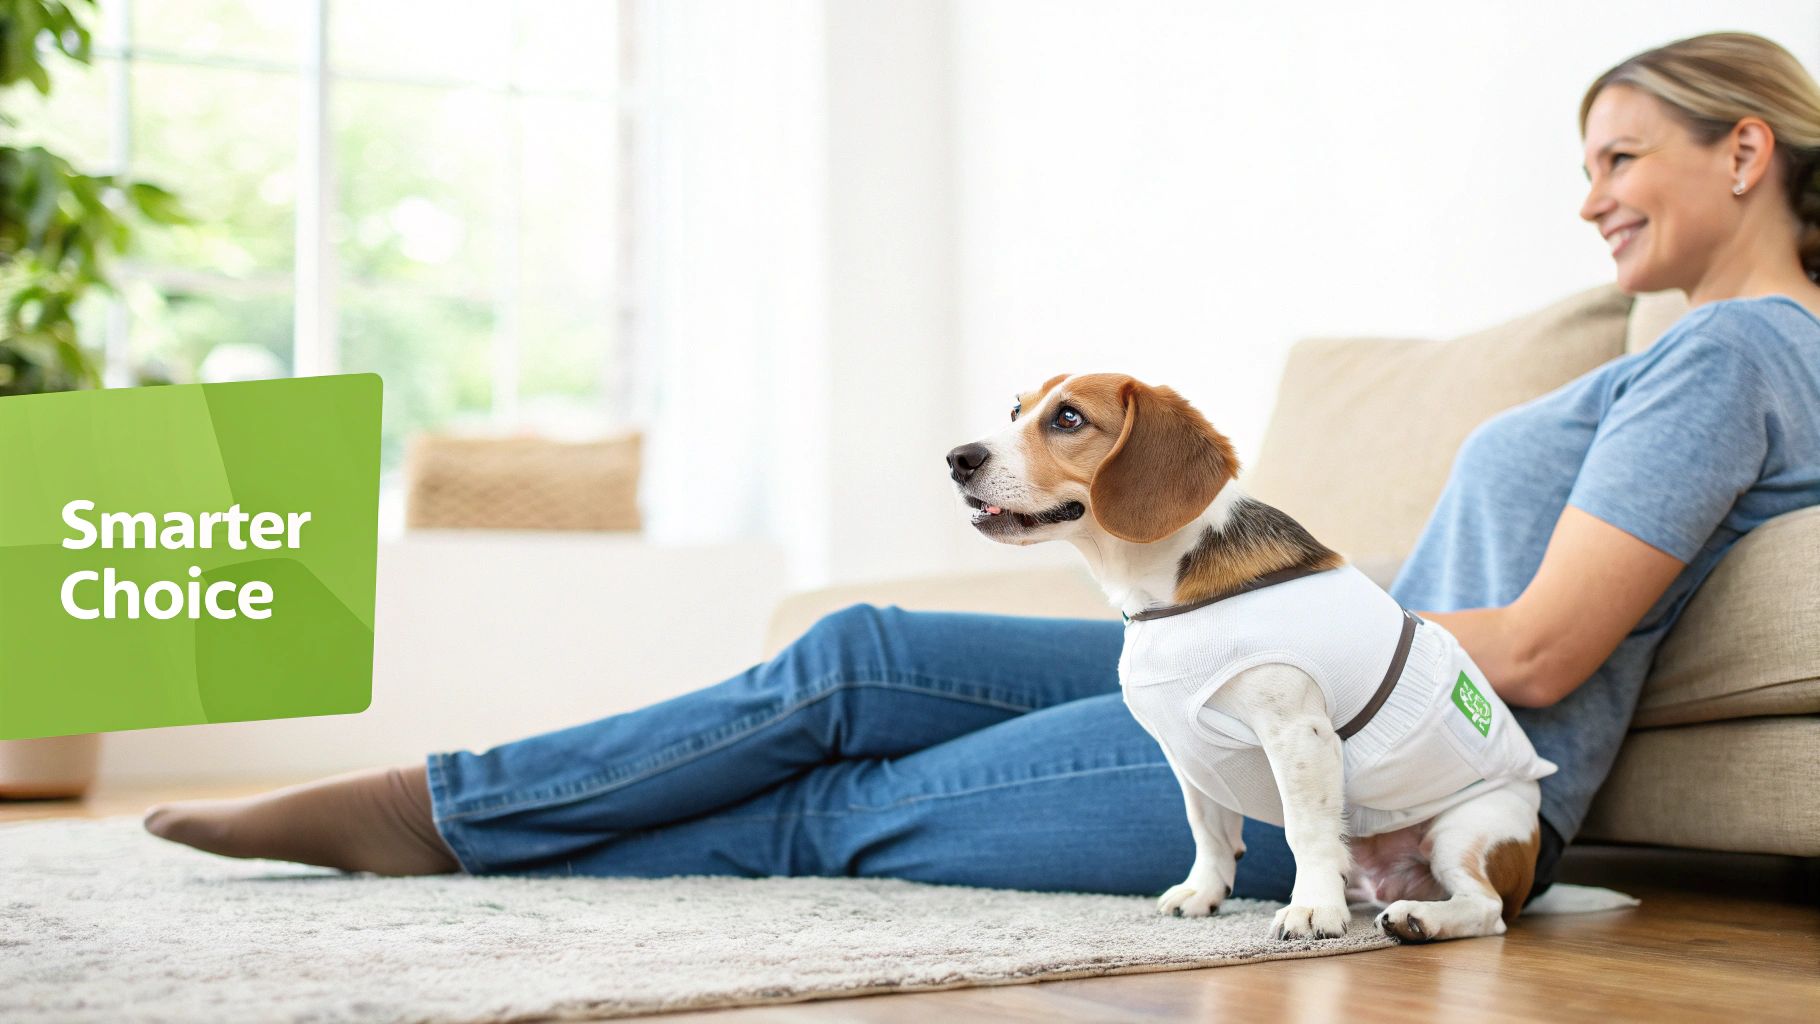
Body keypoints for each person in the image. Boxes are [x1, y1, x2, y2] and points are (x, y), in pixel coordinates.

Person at [144, 32, 1820, 906]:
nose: (1589, 198)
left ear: (1744, 150)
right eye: (1586, 164)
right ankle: (441, 800)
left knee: (843, 814)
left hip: (1387, 784)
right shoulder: (1680, 352)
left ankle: (441, 838)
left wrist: (1281, 628)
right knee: (857, 656)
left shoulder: (1737, 355)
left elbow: (1537, 654)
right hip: (1278, 668)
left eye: (1620, 158)